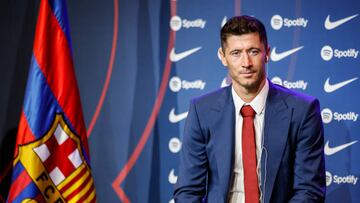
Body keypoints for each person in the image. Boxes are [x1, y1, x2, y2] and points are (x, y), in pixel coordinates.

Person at [173, 15, 326, 203]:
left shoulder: (303, 110)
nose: (246, 63)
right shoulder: (201, 111)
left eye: (253, 51)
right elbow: (188, 191)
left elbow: (309, 191)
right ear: (223, 57)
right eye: (236, 53)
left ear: (267, 53)